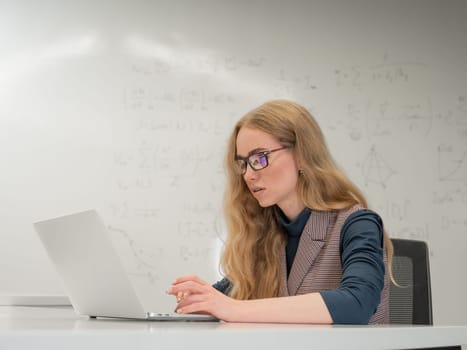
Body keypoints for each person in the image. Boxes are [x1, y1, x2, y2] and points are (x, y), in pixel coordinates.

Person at [166, 99, 393, 324]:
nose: (248, 175)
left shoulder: (357, 224)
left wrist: (233, 308)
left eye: (260, 158)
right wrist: (199, 298)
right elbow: (226, 298)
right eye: (243, 163)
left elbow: (358, 303)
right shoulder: (265, 230)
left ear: (302, 155)